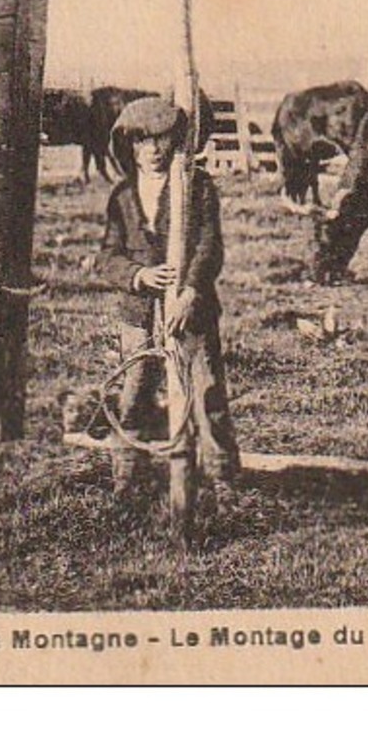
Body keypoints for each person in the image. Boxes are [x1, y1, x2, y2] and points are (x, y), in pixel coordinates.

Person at [91, 96, 240, 497]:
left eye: (161, 140)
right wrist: (139, 275)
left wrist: (190, 291)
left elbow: (210, 246)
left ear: (176, 142)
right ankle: (126, 479)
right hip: (139, 315)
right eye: (143, 142)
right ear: (130, 147)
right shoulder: (122, 196)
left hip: (191, 311)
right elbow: (108, 257)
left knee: (207, 395)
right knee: (135, 394)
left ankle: (222, 481)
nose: (153, 150)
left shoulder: (196, 187)